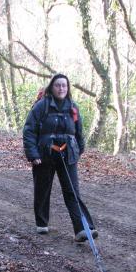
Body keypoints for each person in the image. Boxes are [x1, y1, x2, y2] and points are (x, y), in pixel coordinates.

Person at [23, 73, 98, 242]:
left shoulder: (73, 107)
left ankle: (83, 229)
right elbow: (29, 130)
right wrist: (33, 154)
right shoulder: (41, 106)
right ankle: (42, 223)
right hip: (44, 155)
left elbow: (79, 132)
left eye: (64, 85)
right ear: (52, 87)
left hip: (67, 154)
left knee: (72, 192)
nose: (61, 88)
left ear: (68, 88)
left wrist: (78, 151)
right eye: (58, 85)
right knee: (42, 190)